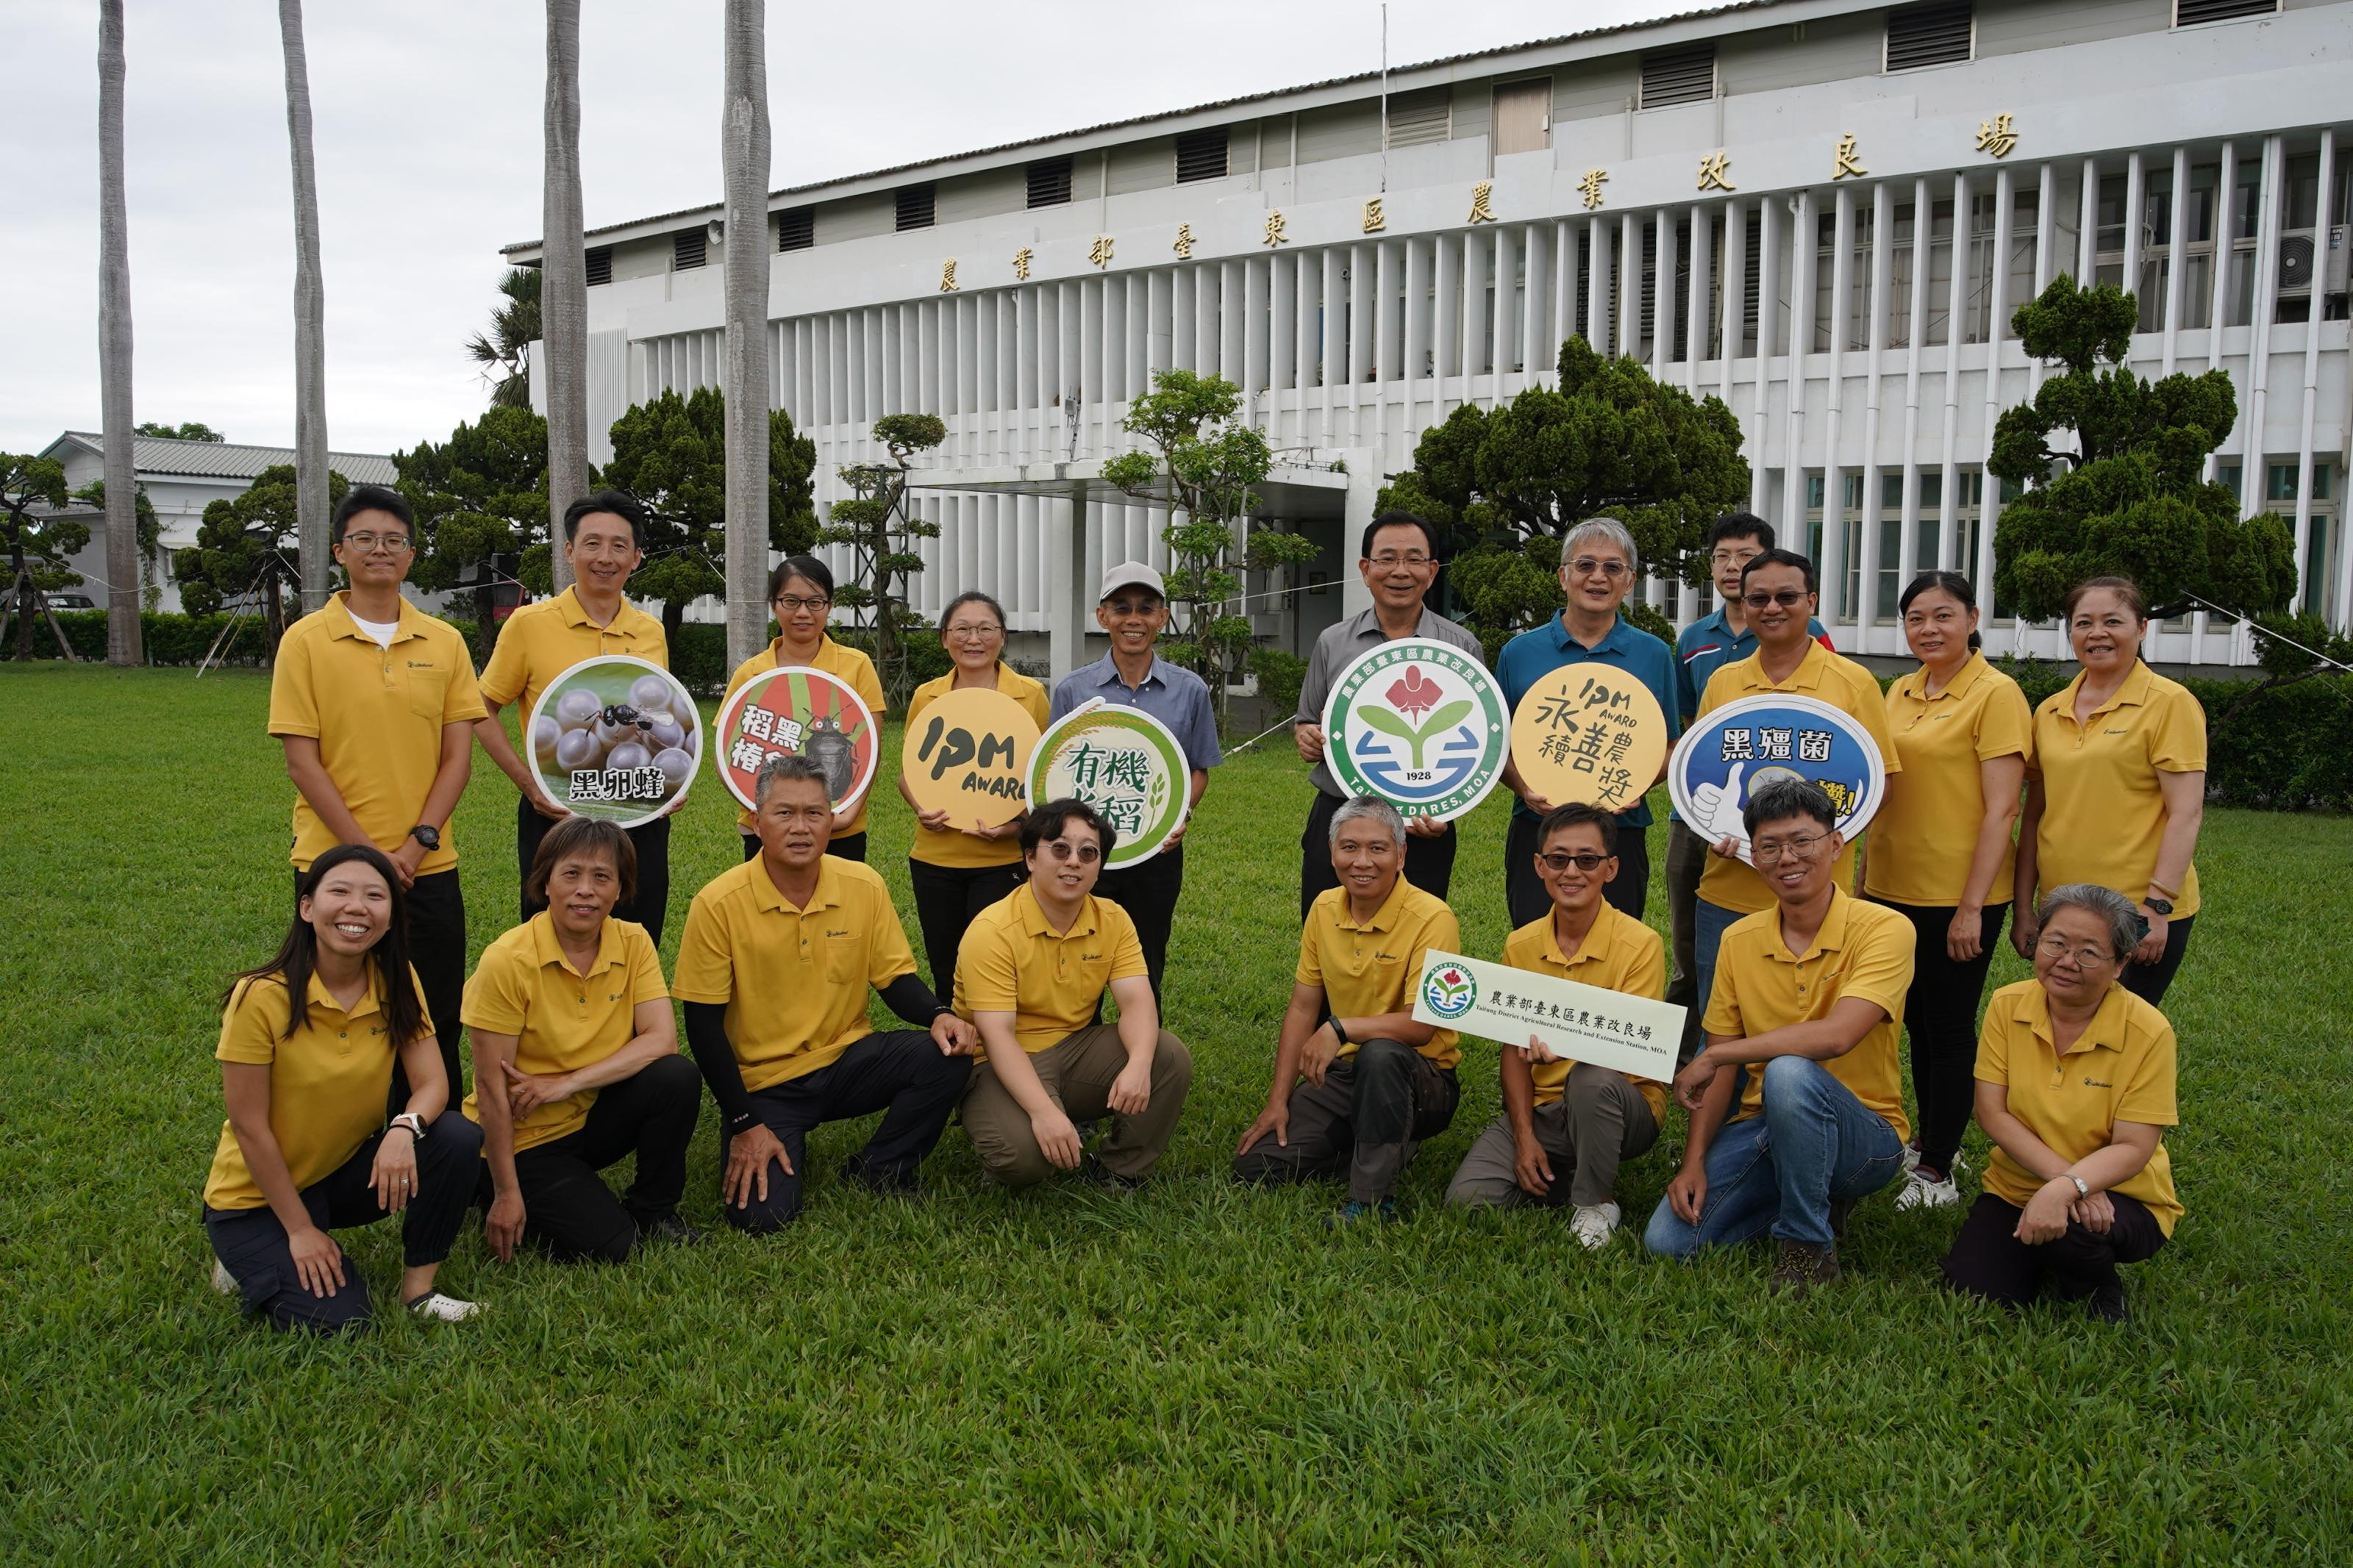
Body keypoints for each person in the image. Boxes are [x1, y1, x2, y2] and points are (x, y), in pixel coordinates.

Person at [676, 755, 976, 1231]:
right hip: (766, 1083)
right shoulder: (718, 903)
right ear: (756, 821)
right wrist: (744, 1123)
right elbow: (703, 1026)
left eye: (814, 813)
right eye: (784, 813)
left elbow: (894, 979)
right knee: (763, 1218)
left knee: (948, 1053)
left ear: (832, 819)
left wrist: (940, 1014)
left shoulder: (863, 884)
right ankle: (769, 1133)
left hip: (846, 1060)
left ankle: (880, 1169)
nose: (801, 827)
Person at [1645, 778, 1913, 1295]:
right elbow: (1721, 1066)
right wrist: (1694, 1161)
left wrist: (1716, 1057)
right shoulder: (1739, 939)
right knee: (1669, 1242)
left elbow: (1838, 1036)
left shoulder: (1885, 928)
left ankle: (1806, 1246)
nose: (1786, 857)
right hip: (1767, 1127)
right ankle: (1808, 1193)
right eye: (1769, 846)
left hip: (1866, 1138)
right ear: (1755, 855)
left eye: (1802, 841)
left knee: (1788, 1072)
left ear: (1835, 844)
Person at [201, 844, 484, 1332]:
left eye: (375, 896)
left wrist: (404, 1128)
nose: (357, 907)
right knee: (344, 1322)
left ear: (391, 917)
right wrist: (299, 1230)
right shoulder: (260, 996)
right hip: (255, 1198)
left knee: (456, 1136)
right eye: (340, 891)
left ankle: (419, 1292)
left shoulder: (397, 979)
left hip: (338, 1174)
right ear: (307, 907)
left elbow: (433, 1083)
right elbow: (249, 1127)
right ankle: (245, 1254)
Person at [268, 484, 484, 1098]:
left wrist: (417, 844)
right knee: (334, 1016)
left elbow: (457, 759)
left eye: (394, 539)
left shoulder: (444, 642)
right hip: (332, 867)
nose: (380, 549)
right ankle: (346, 1139)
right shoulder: (305, 641)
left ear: (412, 554)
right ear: (340, 550)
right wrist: (367, 858)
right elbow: (303, 763)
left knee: (435, 1014)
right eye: (364, 538)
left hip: (427, 867)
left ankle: (433, 1139)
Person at [1862, 572, 2032, 1212]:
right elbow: (1882, 792)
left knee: (1950, 1025)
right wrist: (1863, 883)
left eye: (1943, 615)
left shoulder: (1996, 693)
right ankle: (1936, 1138)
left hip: (1959, 894)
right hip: (1891, 889)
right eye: (1916, 618)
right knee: (1915, 1025)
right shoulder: (1900, 690)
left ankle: (1937, 1169)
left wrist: (1972, 906)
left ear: (1972, 618)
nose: (1928, 629)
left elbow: (2002, 809)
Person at [464, 817, 702, 1265]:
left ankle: (653, 1210)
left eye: (602, 877)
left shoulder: (633, 942)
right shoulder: (506, 961)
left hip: (588, 1114)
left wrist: (567, 1083)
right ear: (546, 883)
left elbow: (661, 1041)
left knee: (676, 1077)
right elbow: (492, 1091)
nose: (586, 891)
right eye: (571, 874)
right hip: (525, 1137)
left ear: (621, 889)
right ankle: (488, 1188)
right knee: (613, 1246)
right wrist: (507, 1193)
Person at [1685, 548, 1899, 1037]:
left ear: (1812, 601)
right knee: (1722, 1030)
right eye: (1758, 598)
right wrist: (1711, 820)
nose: (1772, 608)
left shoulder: (1853, 683)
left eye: (1787, 596)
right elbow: (1700, 772)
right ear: (1743, 604)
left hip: (1815, 898)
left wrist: (1815, 843)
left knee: (1804, 1035)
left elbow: (1880, 785)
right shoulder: (1723, 682)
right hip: (1727, 891)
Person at [1944, 885, 2182, 1322]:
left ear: (2121, 964)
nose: (2067, 961)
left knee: (2077, 1233)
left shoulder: (2149, 1031)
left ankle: (2095, 1285)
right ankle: (2045, 1245)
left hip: (2120, 1194)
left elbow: (2134, 1146)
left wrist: (2072, 1188)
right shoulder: (2007, 1004)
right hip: (2019, 1186)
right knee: (1974, 1291)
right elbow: (1992, 1113)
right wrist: (2063, 1182)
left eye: (2089, 952)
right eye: (2055, 943)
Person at [1445, 803, 1668, 1248]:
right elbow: (1513, 1053)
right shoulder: (1521, 944)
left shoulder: (1641, 944)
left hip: (1625, 1104)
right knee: (1467, 1201)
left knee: (1589, 1078)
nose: (1571, 872)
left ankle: (1595, 1201)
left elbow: (1634, 1051)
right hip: (1548, 1107)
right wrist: (1525, 1136)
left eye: (1587, 860)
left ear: (1611, 868)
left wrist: (1567, 1045)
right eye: (1558, 859)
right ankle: (1564, 1171)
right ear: (1539, 866)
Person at [1234, 796, 1463, 1225]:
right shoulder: (1324, 908)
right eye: (1349, 847)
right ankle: (1380, 1143)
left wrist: (1340, 1029)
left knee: (1380, 1053)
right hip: (1348, 1076)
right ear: (1331, 851)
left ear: (1401, 855)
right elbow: (1302, 1007)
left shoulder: (1434, 917)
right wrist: (1277, 1102)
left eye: (1378, 848)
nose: (1362, 862)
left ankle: (1372, 1202)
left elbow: (1422, 1027)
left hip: (1422, 1080)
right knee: (1257, 1165)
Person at [474, 490, 682, 943]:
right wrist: (530, 785)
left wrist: (671, 785)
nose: (605, 557)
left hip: (638, 811)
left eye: (619, 546)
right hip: (556, 810)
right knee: (549, 937)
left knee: (637, 933)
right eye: (592, 543)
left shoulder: (650, 631)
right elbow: (481, 709)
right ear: (569, 552)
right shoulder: (529, 624)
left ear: (636, 558)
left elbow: (657, 714)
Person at [955, 798, 1195, 1189]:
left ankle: (1122, 1169)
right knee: (1024, 1160)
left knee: (1166, 1056)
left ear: (1099, 866)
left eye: (1088, 853)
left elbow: (1137, 1003)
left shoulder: (1113, 919)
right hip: (997, 1062)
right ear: (1030, 858)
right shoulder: (993, 930)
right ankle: (1008, 1130)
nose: (1074, 862)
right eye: (1060, 849)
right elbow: (997, 1036)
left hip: (1073, 1050)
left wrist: (1138, 1065)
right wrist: (1043, 1113)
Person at [1663, 515, 1830, 1058]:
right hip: (1709, 830)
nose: (1732, 566)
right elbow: (1694, 737)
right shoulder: (1696, 643)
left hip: (1797, 845)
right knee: (1697, 950)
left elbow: (1852, 762)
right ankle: (1692, 1057)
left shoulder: (1829, 659)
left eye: (1745, 555)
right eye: (1722, 556)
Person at [2013, 577, 2207, 1007]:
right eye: (2083, 623)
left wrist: (2157, 907)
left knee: (2119, 1031)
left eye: (2112, 622)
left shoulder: (2170, 703)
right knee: (2062, 1022)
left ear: (2142, 628)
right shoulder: (2049, 711)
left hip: (2135, 910)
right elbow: (2034, 816)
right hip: (2063, 909)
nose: (2096, 633)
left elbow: (2186, 813)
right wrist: (2024, 908)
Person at [1294, 509, 1483, 919]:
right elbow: (1307, 720)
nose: (1401, 571)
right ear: (1366, 569)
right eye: (1387, 559)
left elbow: (1480, 739)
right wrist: (1308, 737)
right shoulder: (1332, 642)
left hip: (1423, 823)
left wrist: (1445, 812)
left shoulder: (1462, 646)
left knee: (1418, 932)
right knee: (1328, 928)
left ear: (1432, 571)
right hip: (1341, 814)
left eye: (1414, 559)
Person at [1047, 562, 1221, 1003]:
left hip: (1156, 854)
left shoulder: (1190, 690)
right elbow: (1055, 770)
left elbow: (1198, 768)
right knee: (1077, 963)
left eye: (1146, 608)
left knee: (1145, 961)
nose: (1134, 619)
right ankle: (1079, 1043)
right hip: (1085, 855)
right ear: (1102, 616)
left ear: (1162, 617)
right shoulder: (1072, 691)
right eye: (1121, 607)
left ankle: (1145, 1046)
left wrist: (1180, 815)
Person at [1494, 517, 1677, 928]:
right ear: (1564, 576)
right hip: (1539, 828)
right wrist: (1523, 788)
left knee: (1618, 943)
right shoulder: (1519, 652)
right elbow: (1496, 745)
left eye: (1613, 567)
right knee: (1532, 941)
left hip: (1620, 828)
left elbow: (1669, 744)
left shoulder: (1653, 654)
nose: (1598, 577)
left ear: (1630, 582)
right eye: (1585, 565)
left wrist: (1636, 784)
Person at [899, 590, 1051, 997]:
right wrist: (920, 808)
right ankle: (952, 1031)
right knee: (945, 964)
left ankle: (998, 1034)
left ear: (1002, 637)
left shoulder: (1031, 695)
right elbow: (909, 774)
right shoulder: (927, 696)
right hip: (935, 856)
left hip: (1001, 859)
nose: (974, 639)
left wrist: (1015, 827)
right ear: (944, 638)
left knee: (998, 961)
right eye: (962, 629)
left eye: (986, 629)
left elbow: (1042, 778)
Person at [722, 555, 888, 864]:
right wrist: (764, 814)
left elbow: (870, 751)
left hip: (841, 830)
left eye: (815, 602)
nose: (803, 612)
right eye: (791, 601)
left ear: (829, 606)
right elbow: (727, 753)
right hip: (767, 831)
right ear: (774, 605)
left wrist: (847, 815)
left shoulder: (857, 666)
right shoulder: (750, 674)